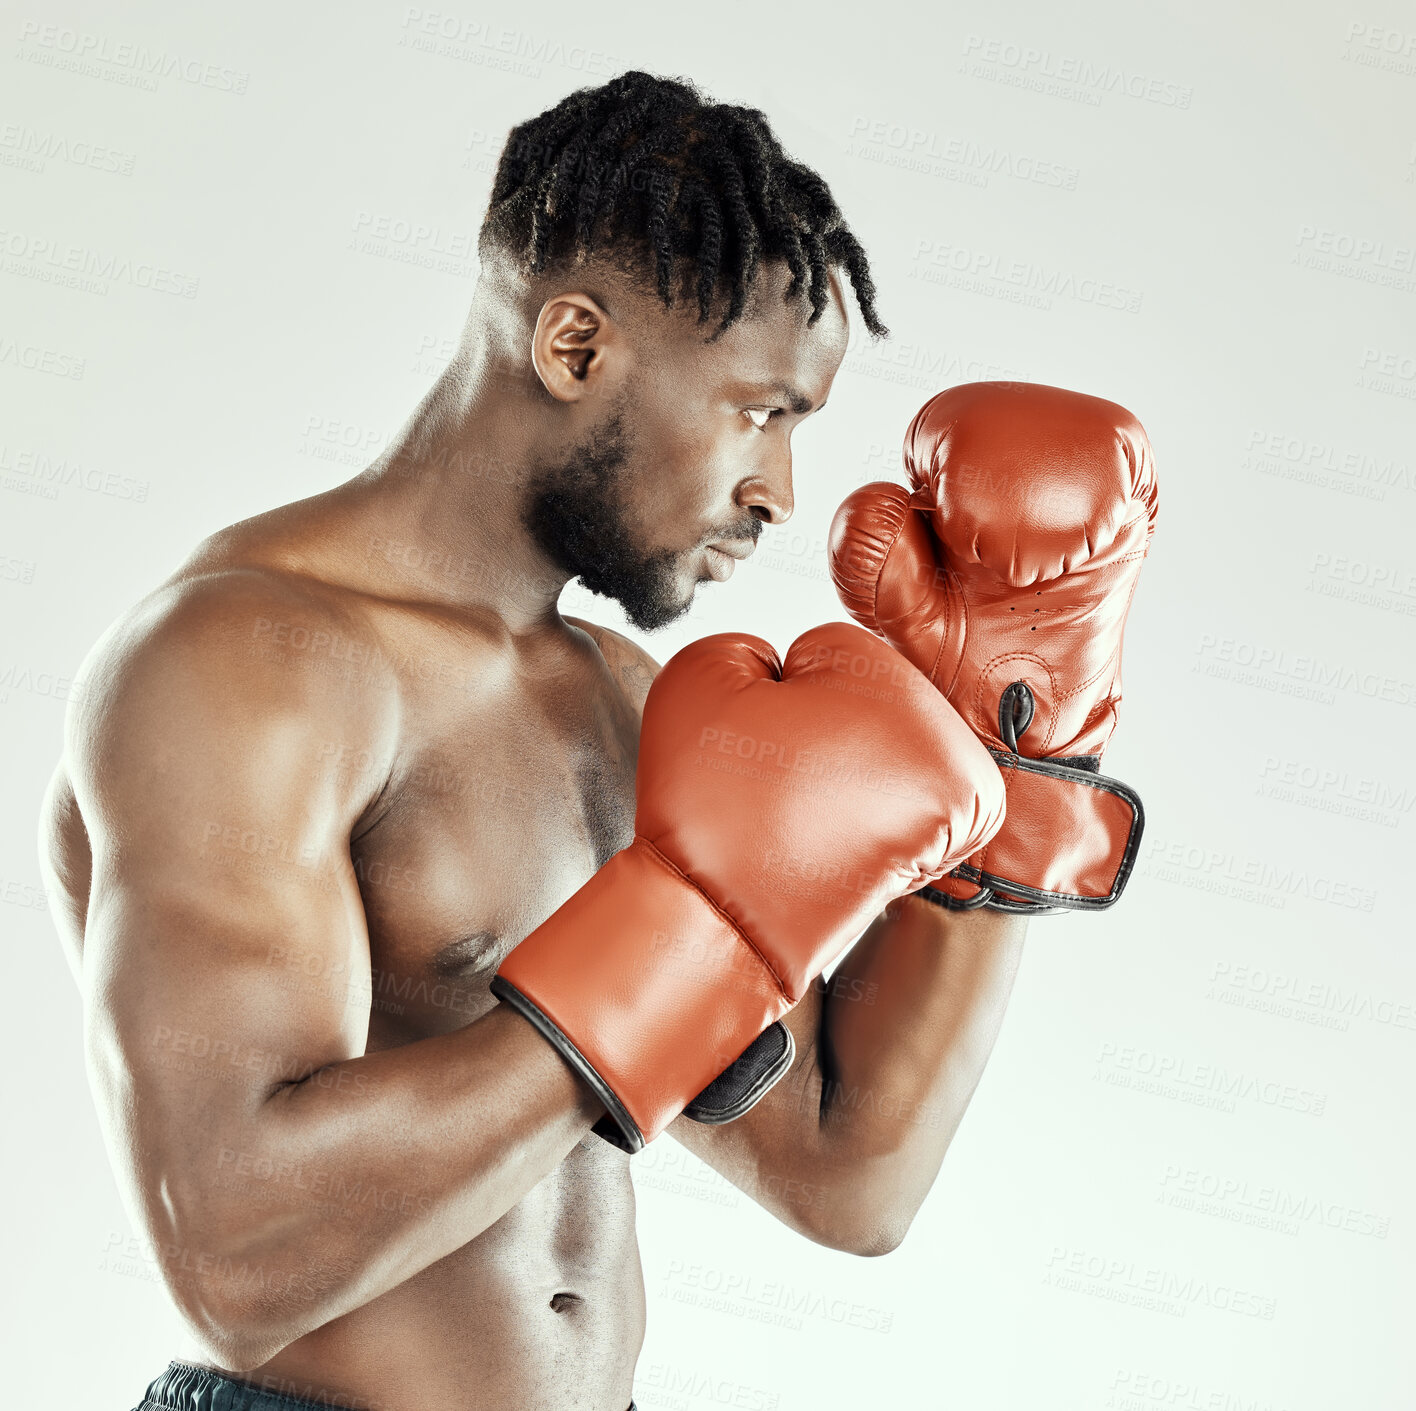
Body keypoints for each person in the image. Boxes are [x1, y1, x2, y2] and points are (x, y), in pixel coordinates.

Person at [40, 72, 1032, 1411]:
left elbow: (845, 1176)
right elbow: (235, 1256)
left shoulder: (623, 695)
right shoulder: (243, 665)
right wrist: (678, 928)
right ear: (573, 347)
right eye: (759, 410)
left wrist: (1025, 757)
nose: (779, 492)